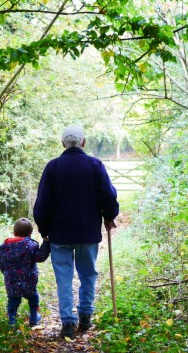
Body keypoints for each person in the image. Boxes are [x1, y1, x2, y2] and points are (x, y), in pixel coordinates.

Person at [33, 125, 119, 338]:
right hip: (87, 232)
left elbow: (42, 205)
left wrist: (45, 231)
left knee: (64, 278)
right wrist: (110, 215)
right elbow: (108, 196)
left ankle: (68, 323)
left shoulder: (52, 168)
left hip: (59, 234)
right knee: (88, 274)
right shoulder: (95, 165)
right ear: (83, 142)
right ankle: (85, 316)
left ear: (63, 143)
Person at [0, 218, 50, 327]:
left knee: (13, 303)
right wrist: (46, 243)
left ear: (14, 232)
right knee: (33, 299)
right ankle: (34, 318)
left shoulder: (4, 248)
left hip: (11, 282)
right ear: (30, 233)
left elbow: (0, 263)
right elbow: (40, 257)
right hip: (29, 281)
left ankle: (12, 323)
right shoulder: (31, 246)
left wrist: (7, 274)